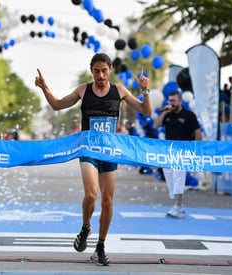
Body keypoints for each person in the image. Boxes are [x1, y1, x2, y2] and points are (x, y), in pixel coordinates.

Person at [34, 53, 152, 265]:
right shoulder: (83, 90)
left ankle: (100, 246)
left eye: (104, 70)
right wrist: (44, 87)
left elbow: (146, 109)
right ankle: (86, 226)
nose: (100, 75)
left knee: (107, 202)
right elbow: (58, 105)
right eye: (96, 71)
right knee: (91, 195)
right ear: (91, 70)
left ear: (110, 70)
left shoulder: (120, 91)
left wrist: (145, 90)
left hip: (109, 152)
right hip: (88, 151)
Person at [153, 91, 201, 218]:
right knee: (169, 177)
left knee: (179, 176)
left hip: (183, 151)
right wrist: (164, 112)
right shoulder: (167, 115)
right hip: (169, 151)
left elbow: (197, 131)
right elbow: (156, 125)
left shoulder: (188, 115)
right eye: (170, 101)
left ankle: (177, 206)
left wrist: (195, 149)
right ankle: (178, 205)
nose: (171, 103)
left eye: (173, 101)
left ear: (180, 101)